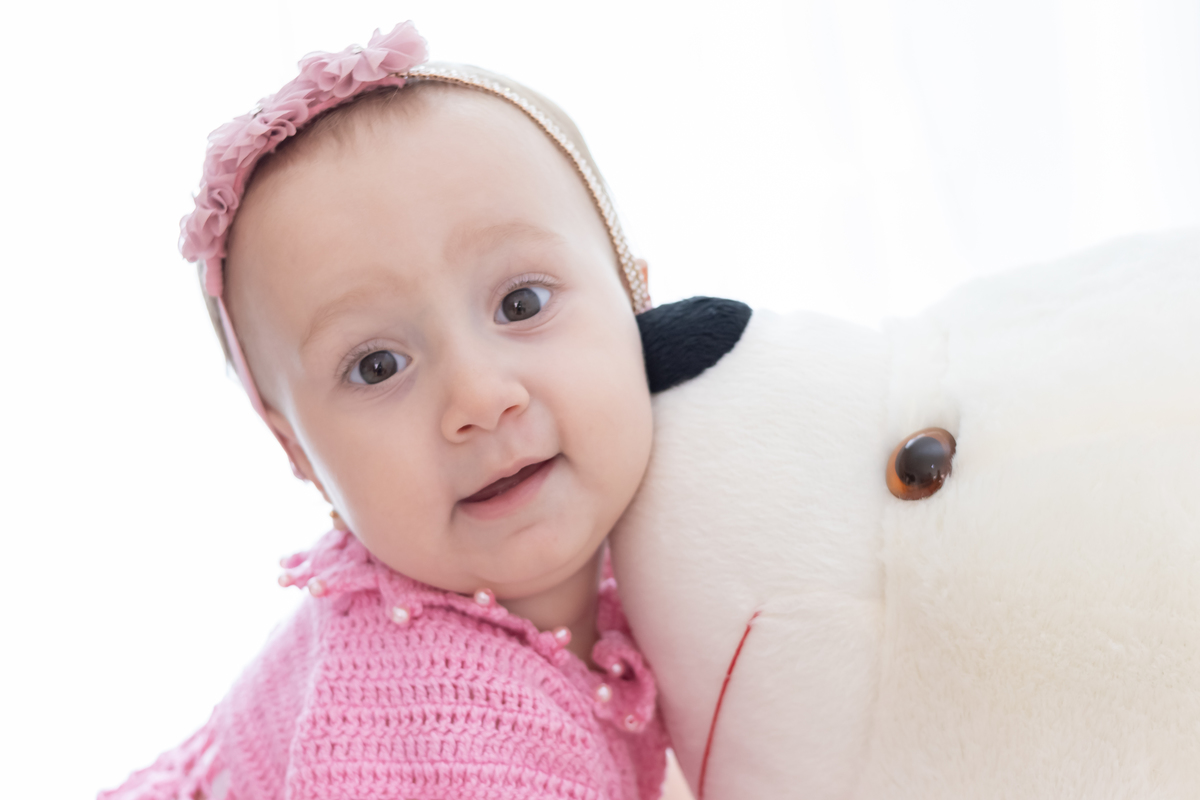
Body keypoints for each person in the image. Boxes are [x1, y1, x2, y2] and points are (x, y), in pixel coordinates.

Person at [100, 21, 693, 800]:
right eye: (377, 366)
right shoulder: (441, 723)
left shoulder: (678, 538)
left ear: (636, 298)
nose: (479, 398)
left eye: (522, 303)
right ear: (299, 454)